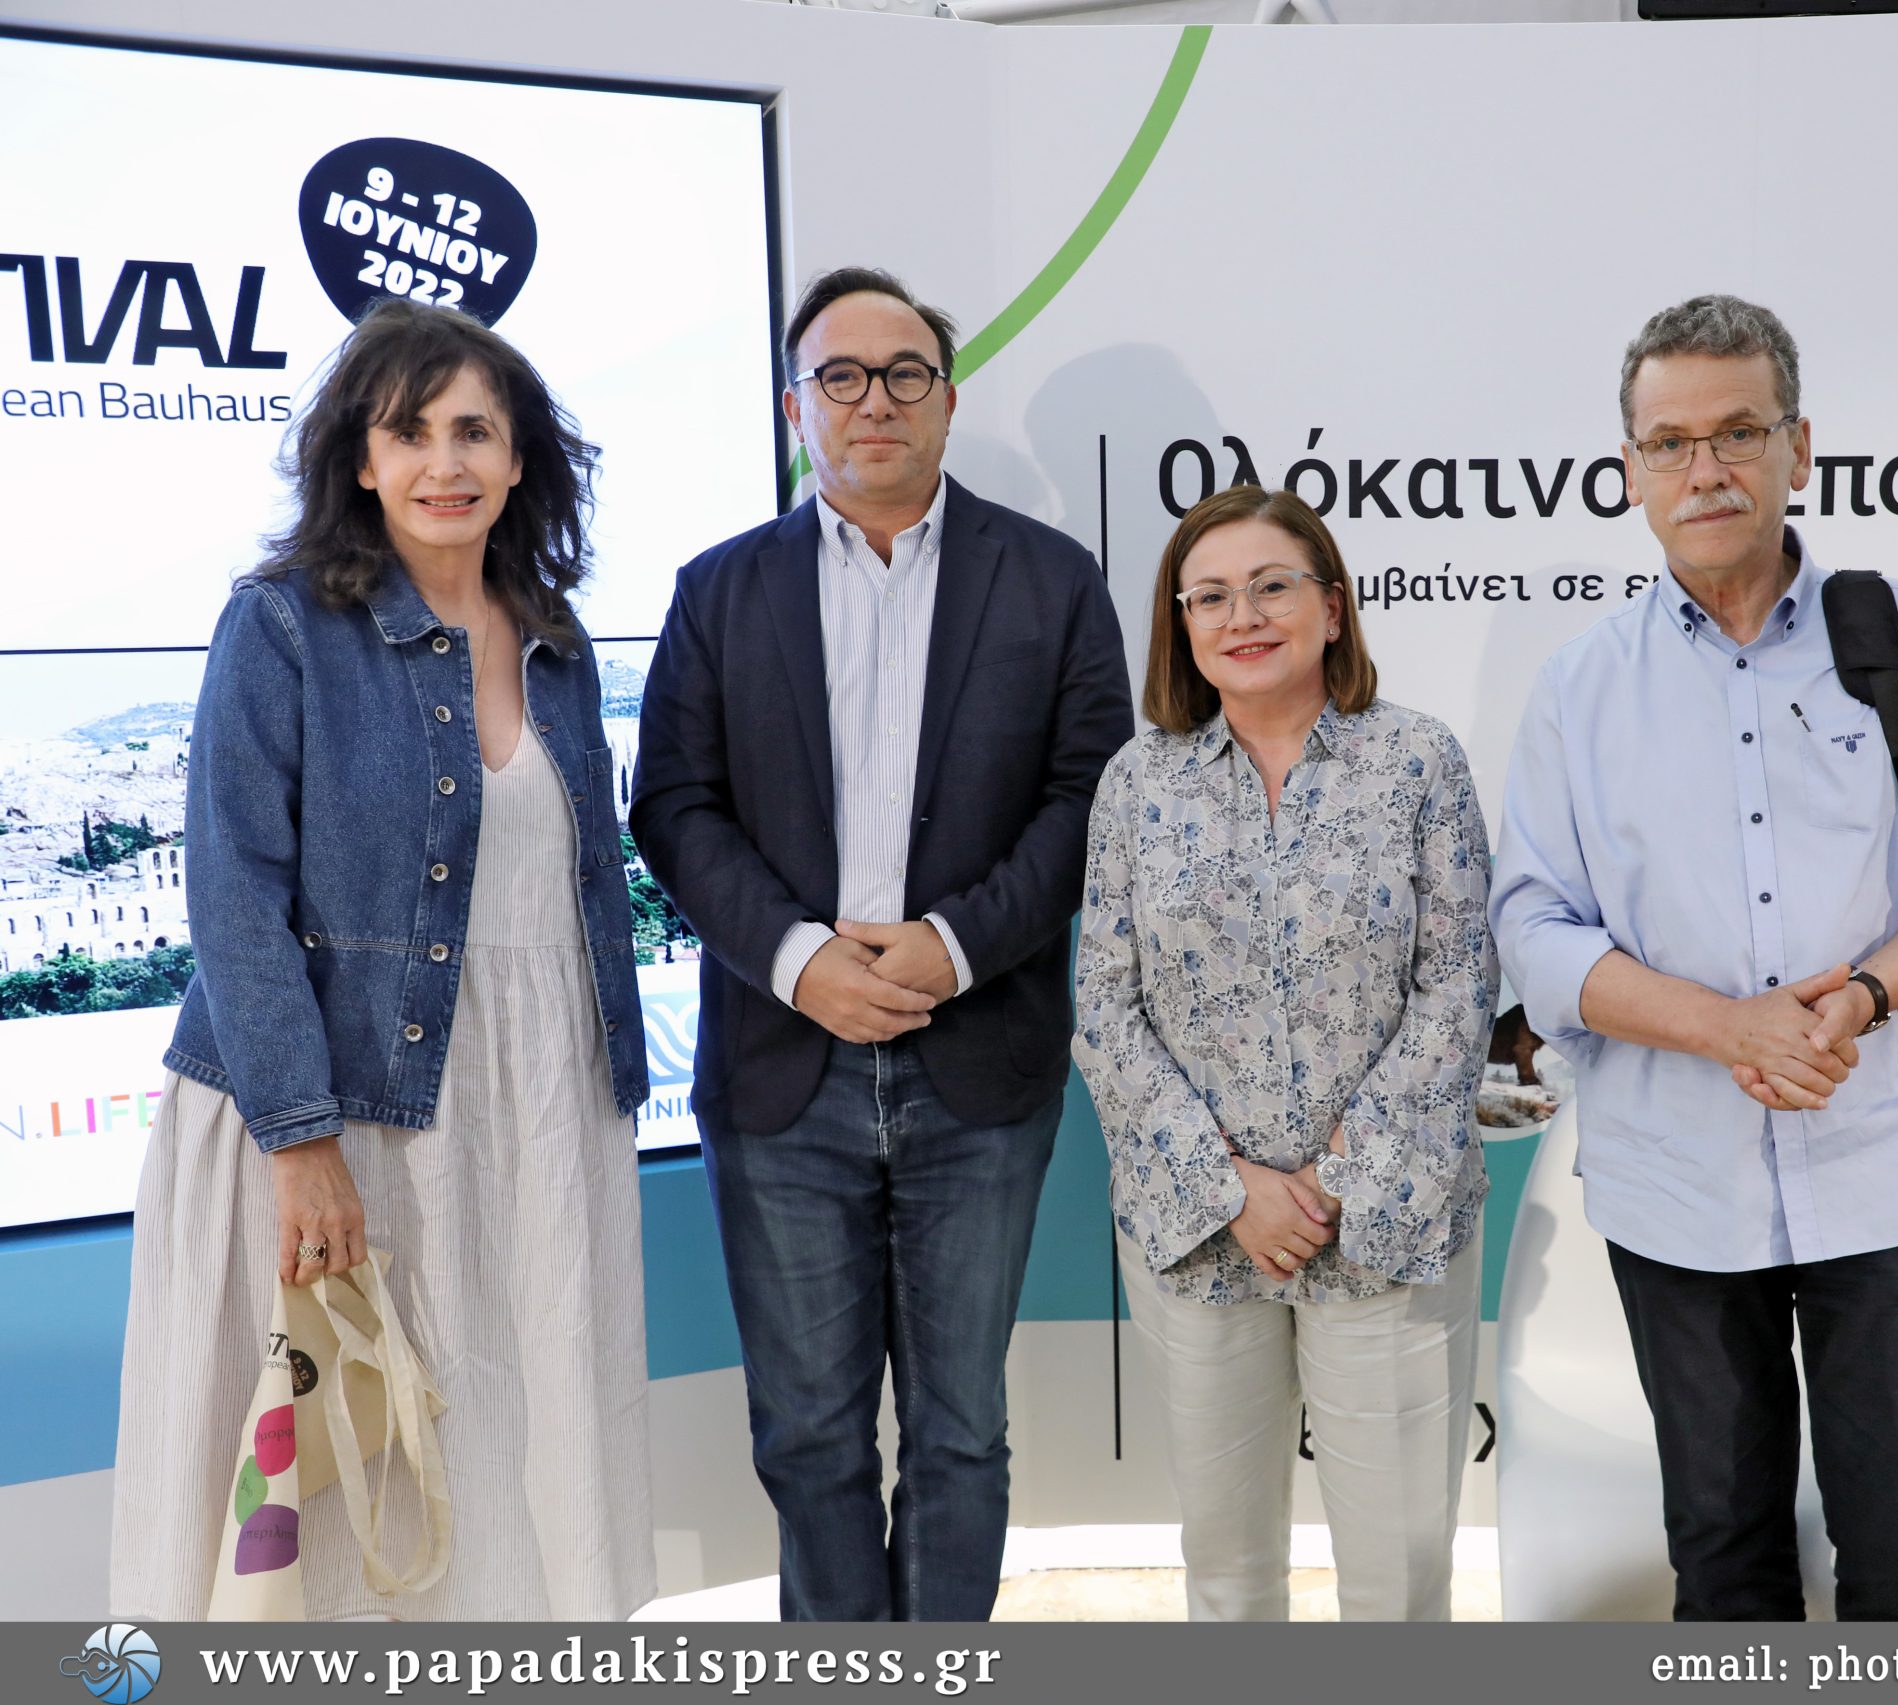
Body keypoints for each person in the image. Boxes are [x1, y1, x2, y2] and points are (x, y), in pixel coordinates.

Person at [1489, 295, 1898, 1621]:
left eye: (1738, 432)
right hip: (1675, 1186)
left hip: (1883, 1168)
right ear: (1630, 469)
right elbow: (1535, 927)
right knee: (1724, 1561)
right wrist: (1725, 1028)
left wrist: (1862, 995)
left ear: (1799, 445)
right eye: (1670, 443)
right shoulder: (1581, 684)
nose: (1707, 469)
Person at [109, 297, 653, 1619]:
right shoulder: (283, 624)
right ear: (360, 459)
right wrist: (300, 1140)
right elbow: (233, 892)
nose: (443, 463)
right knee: (340, 1485)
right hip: (343, 1111)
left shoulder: (557, 643)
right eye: (409, 433)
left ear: (519, 458)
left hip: (537, 1120)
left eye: (474, 430)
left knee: (516, 1444)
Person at [630, 266, 1131, 1622]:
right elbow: (671, 804)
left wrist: (953, 945)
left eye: (906, 373)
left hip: (980, 1061)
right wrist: (802, 958)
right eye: (840, 376)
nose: (875, 400)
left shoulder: (1050, 580)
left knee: (962, 1432)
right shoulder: (719, 591)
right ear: (797, 406)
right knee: (808, 1437)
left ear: (948, 401)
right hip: (783, 1069)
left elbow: (1094, 796)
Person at [1073, 483, 1496, 1621]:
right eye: (1209, 596)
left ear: (1332, 607)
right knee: (1227, 1575)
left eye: (1271, 587)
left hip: (1385, 1225)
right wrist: (1234, 1191)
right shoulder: (1137, 784)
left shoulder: (1417, 761)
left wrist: (1333, 1186)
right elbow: (1104, 1007)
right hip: (1200, 1233)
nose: (1242, 616)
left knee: (1398, 1584)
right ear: (1181, 625)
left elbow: (1459, 987)